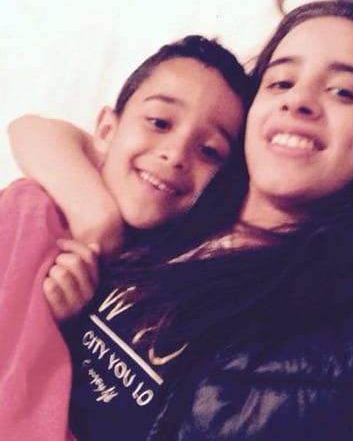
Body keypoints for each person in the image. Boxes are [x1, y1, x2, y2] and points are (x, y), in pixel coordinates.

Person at [9, 0, 353, 439]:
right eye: (280, 82)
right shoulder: (180, 202)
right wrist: (94, 226)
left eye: (343, 91)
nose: (298, 101)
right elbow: (37, 131)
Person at [1, 35, 250, 440]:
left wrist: (63, 321)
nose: (175, 154)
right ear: (105, 129)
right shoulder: (36, 208)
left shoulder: (174, 266)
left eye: (209, 150)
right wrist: (95, 216)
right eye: (159, 123)